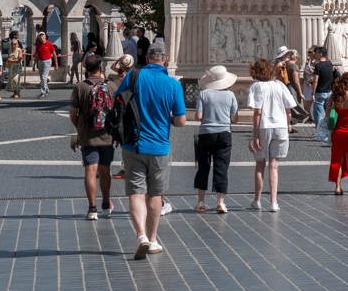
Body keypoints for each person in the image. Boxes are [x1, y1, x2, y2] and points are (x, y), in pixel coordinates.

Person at [123, 41, 186, 257]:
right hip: (159, 146)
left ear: (147, 59)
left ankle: (140, 235)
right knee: (155, 194)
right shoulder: (173, 84)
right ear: (165, 60)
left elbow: (117, 102)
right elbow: (181, 121)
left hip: (133, 144)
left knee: (136, 191)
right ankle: (152, 239)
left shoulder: (133, 77)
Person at [70, 55, 114, 220]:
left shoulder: (80, 87)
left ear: (85, 70)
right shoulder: (111, 86)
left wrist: (79, 131)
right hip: (107, 135)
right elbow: (116, 113)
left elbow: (73, 114)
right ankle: (106, 206)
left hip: (88, 136)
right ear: (101, 68)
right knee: (105, 170)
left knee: (90, 170)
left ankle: (92, 209)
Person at [247, 57, 295, 212]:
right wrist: (288, 124)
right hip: (280, 125)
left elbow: (257, 112)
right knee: (274, 166)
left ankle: (257, 200)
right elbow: (289, 110)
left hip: (264, 126)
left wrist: (254, 137)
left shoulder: (256, 86)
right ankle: (274, 202)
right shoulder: (279, 85)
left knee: (260, 164)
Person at [192, 65, 236, 213]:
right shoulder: (230, 95)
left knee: (203, 167)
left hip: (205, 133)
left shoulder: (204, 94)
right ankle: (220, 202)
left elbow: (198, 116)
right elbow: (234, 119)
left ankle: (200, 202)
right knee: (221, 168)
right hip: (224, 133)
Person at [34, 32, 57, 98]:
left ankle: (43, 92)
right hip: (40, 61)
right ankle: (46, 89)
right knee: (42, 77)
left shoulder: (49, 44)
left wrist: (56, 65)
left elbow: (54, 54)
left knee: (44, 77)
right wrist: (34, 64)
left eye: (42, 36)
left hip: (47, 61)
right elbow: (36, 54)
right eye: (40, 36)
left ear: (45, 37)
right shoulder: (38, 45)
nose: (41, 37)